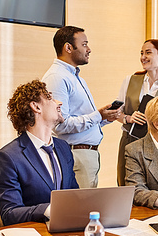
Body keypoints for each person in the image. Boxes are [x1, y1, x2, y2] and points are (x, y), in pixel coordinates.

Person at [42, 26, 121, 188]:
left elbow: (79, 118)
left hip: (86, 156)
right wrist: (98, 115)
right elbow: (61, 125)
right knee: (82, 211)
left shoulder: (74, 76)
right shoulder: (57, 77)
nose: (89, 49)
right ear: (68, 48)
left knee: (87, 209)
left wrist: (104, 118)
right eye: (84, 44)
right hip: (76, 156)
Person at [0, 80, 79, 226]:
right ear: (36, 106)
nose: (59, 103)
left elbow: (74, 194)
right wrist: (47, 210)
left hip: (69, 233)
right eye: (50, 98)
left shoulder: (63, 147)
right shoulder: (7, 157)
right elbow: (9, 213)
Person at [115, 39, 158, 186]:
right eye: (142, 53)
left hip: (156, 145)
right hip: (129, 140)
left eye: (148, 52)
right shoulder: (130, 80)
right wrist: (128, 118)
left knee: (152, 187)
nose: (143, 57)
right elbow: (116, 113)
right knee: (126, 186)